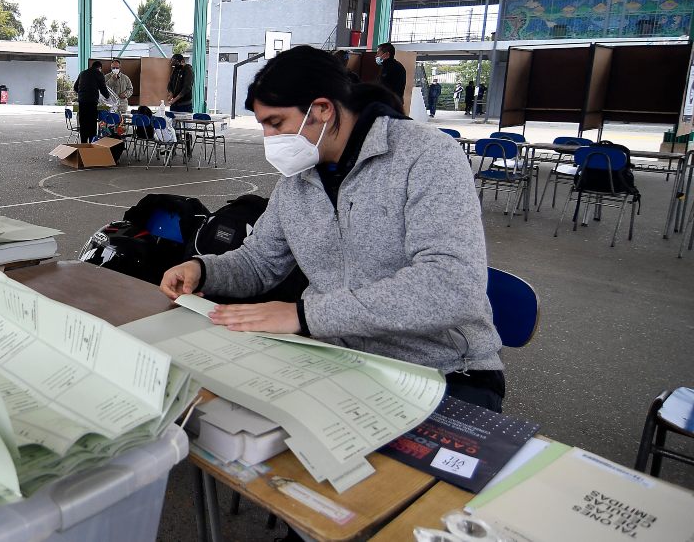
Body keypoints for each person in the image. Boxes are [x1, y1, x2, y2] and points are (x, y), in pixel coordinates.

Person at [158, 45, 506, 412]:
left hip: (440, 370)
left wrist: (304, 316)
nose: (270, 140)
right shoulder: (298, 179)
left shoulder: (426, 156)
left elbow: (450, 285)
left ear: (322, 110)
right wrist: (203, 269)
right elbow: (260, 262)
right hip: (333, 355)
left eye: (276, 124)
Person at [74, 60, 110, 143]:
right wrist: (108, 97)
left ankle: (83, 143)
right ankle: (91, 143)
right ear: (99, 68)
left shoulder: (82, 73)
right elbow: (103, 88)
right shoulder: (99, 73)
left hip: (82, 102)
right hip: (92, 102)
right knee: (92, 123)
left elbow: (75, 87)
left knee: (83, 123)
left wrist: (82, 93)